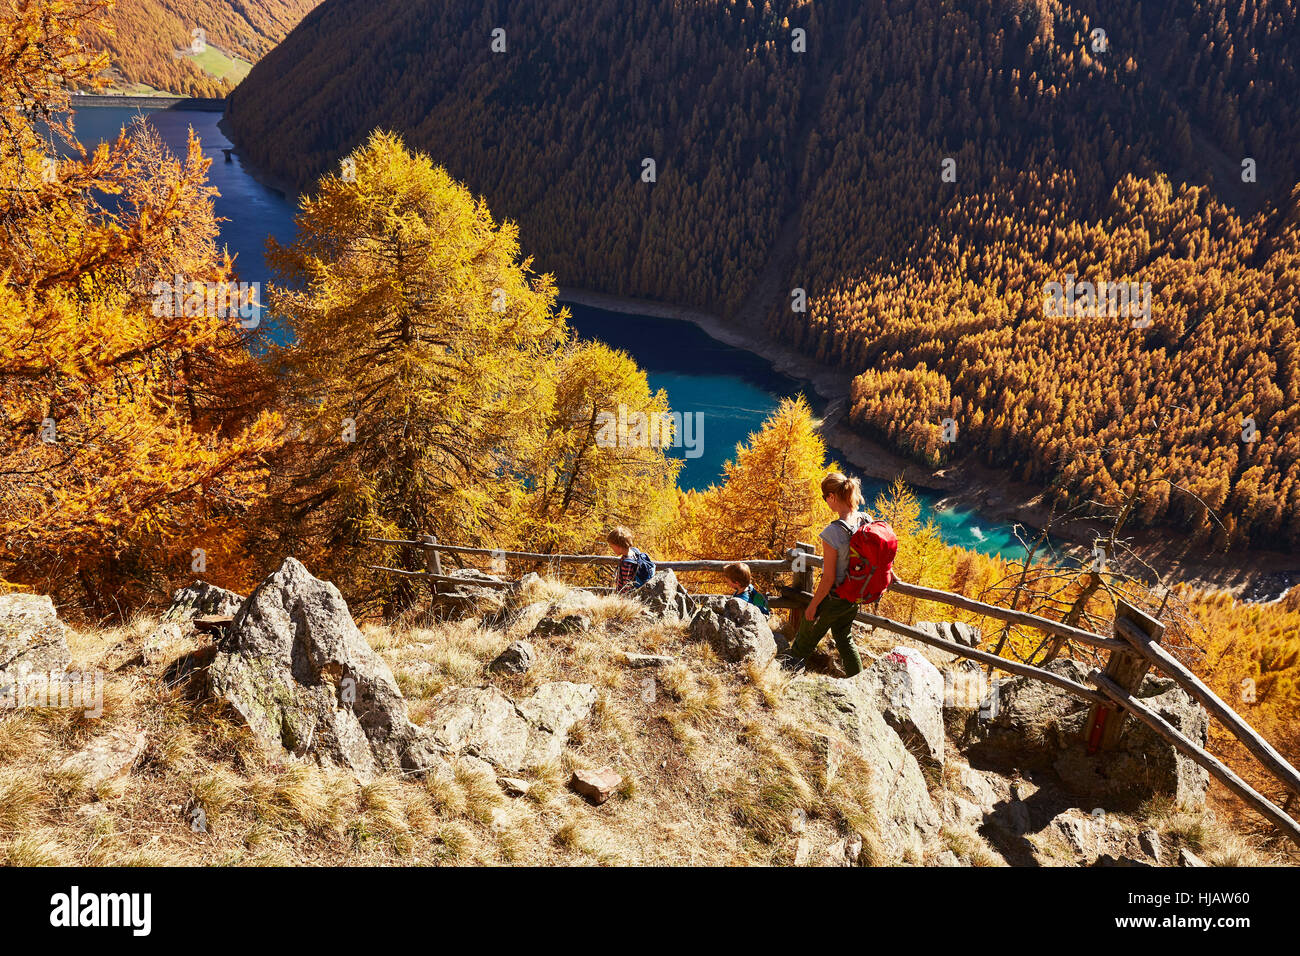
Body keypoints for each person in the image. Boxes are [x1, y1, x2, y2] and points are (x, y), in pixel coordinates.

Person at [780, 472, 871, 676]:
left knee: (806, 637)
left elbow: (829, 578)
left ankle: (784, 677)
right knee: (843, 637)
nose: (825, 502)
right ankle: (860, 680)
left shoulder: (832, 532)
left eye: (825, 497)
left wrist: (812, 606)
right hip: (855, 595)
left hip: (835, 597)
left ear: (832, 496)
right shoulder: (864, 520)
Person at [608, 526, 656, 592]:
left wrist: (621, 598)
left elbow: (626, 586)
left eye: (612, 546)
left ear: (619, 546)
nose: (612, 549)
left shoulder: (627, 564)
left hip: (626, 598)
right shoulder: (634, 551)